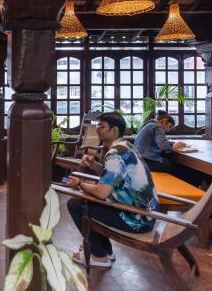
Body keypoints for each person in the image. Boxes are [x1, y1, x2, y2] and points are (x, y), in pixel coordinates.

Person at [67, 112, 158, 268]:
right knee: (87, 202)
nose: (97, 130)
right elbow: (115, 178)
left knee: (76, 204)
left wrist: (80, 183)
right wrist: (94, 165)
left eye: (101, 126)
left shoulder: (115, 153)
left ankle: (98, 256)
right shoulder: (125, 146)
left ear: (114, 130)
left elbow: (102, 192)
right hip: (144, 215)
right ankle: (106, 250)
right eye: (97, 126)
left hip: (135, 219)